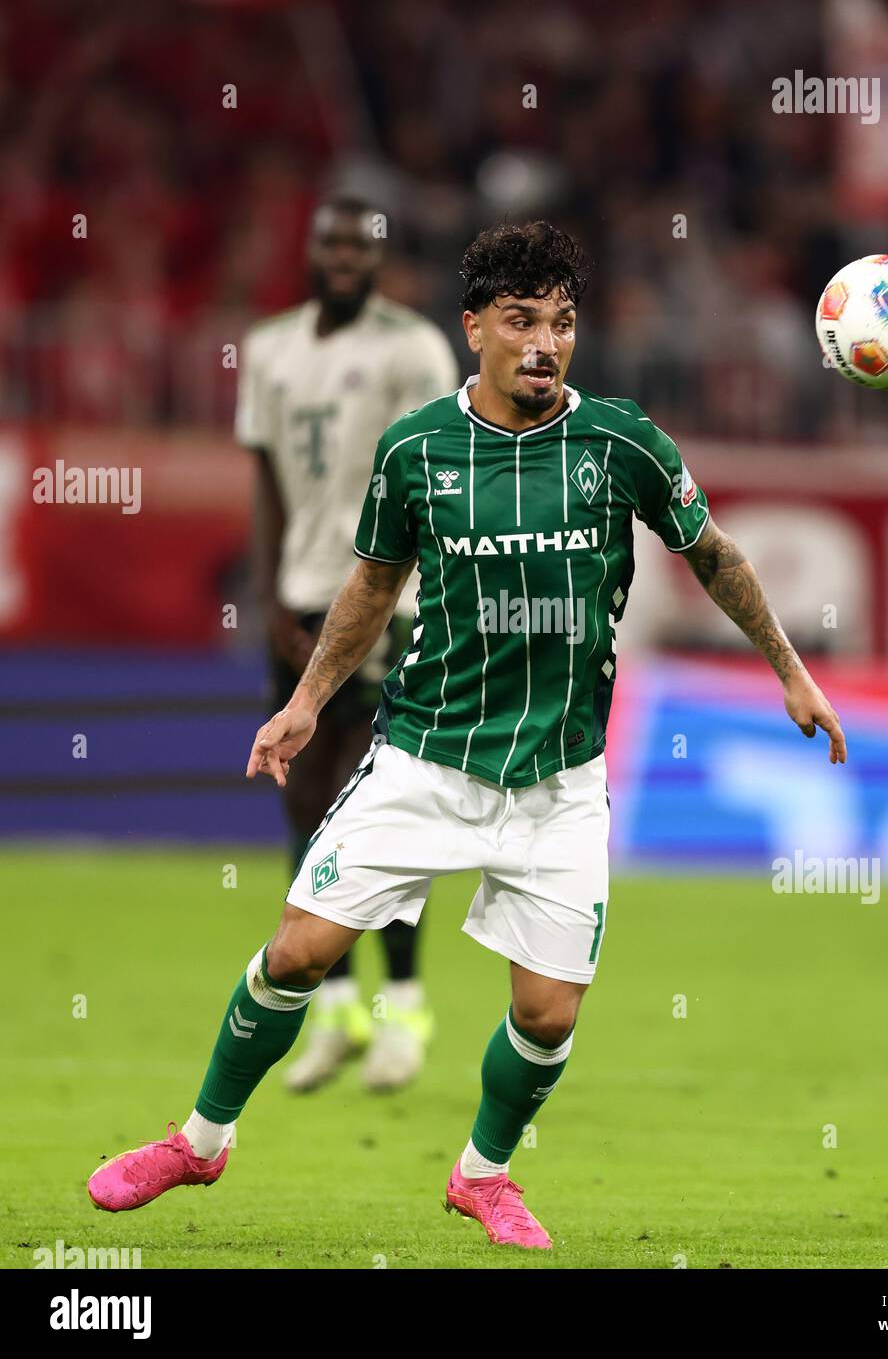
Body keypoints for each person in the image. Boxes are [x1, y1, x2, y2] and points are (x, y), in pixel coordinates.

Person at [88, 220, 846, 1250]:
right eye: (522, 320)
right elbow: (371, 583)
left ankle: (482, 1174)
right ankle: (200, 1140)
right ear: (474, 328)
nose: (545, 343)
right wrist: (308, 701)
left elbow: (713, 555)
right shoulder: (418, 449)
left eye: (564, 323)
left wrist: (789, 670)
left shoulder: (620, 443)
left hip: (559, 781)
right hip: (423, 757)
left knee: (546, 1016)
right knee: (299, 952)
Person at [236, 194, 457, 1091]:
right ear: (310, 246)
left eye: (361, 246)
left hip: (385, 604)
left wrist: (423, 593)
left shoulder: (414, 348)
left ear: (382, 258)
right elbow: (266, 485)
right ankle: (334, 1013)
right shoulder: (269, 349)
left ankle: (401, 1009)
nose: (342, 257)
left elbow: (442, 477)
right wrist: (268, 600)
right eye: (329, 240)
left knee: (376, 809)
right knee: (302, 806)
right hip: (297, 602)